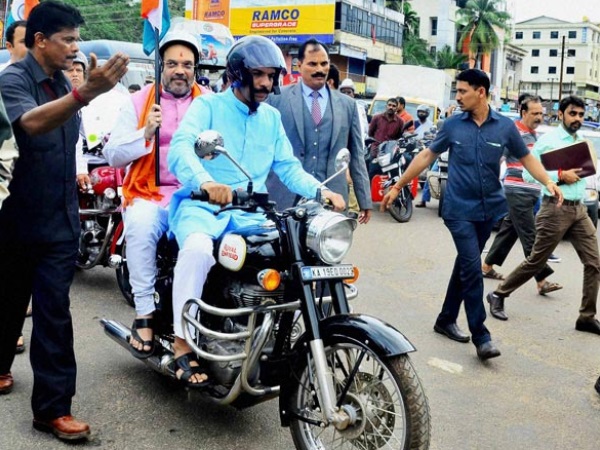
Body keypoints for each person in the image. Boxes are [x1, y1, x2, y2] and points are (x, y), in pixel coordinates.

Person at [167, 35, 345, 387]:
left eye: (271, 75)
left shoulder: (271, 118)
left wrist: (321, 190)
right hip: (203, 208)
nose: (265, 83)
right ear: (237, 74)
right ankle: (182, 342)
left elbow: (288, 166)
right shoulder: (208, 106)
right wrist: (206, 182)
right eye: (258, 74)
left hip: (251, 215)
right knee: (198, 250)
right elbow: (181, 147)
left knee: (294, 255)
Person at [0, 0, 128, 440]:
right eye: (67, 39)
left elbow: (72, 144)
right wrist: (84, 93)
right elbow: (30, 125)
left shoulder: (62, 82)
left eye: (77, 38)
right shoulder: (13, 81)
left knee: (54, 312)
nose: (75, 47)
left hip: (59, 222)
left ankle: (52, 409)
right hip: (14, 221)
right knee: (8, 303)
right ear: (40, 40)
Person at [380, 69, 562, 361]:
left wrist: (548, 182)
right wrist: (398, 186)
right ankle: (481, 336)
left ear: (481, 92)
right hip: (458, 209)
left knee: (465, 265)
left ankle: (446, 319)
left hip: (488, 209)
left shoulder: (504, 128)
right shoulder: (452, 125)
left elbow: (527, 158)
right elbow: (427, 155)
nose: (458, 96)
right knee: (472, 267)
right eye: (457, 91)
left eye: (463, 91)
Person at [103, 31, 203, 359]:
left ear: (195, 68)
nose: (180, 70)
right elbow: (113, 155)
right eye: (172, 64)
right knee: (142, 227)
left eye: (186, 64)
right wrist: (145, 132)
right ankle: (144, 312)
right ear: (160, 67)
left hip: (196, 197)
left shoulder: (210, 103)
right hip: (150, 193)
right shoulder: (138, 102)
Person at [486, 95, 600, 334]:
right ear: (560, 114)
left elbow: (587, 171)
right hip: (554, 208)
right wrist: (559, 175)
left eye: (581, 115)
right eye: (572, 114)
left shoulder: (581, 142)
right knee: (536, 259)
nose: (577, 118)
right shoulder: (548, 141)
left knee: (594, 263)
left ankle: (586, 317)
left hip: (579, 209)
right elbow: (528, 174)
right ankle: (498, 294)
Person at [266, 38, 371, 224]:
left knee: (329, 242)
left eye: (324, 64)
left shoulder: (347, 105)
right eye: (312, 64)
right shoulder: (276, 99)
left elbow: (357, 156)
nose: (319, 69)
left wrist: (364, 200)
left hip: (332, 199)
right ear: (299, 65)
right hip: (285, 195)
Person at [481, 95, 562, 297]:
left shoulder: (534, 136)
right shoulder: (513, 134)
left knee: (509, 232)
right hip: (516, 191)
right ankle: (541, 280)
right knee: (530, 236)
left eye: (541, 113)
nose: (539, 117)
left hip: (531, 191)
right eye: (535, 113)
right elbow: (497, 158)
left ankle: (487, 266)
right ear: (523, 112)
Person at [367, 97, 404, 180]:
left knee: (392, 176)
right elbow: (370, 133)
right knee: (372, 174)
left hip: (390, 152)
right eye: (389, 105)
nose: (391, 107)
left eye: (393, 106)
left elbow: (399, 137)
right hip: (376, 150)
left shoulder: (400, 122)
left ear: (396, 108)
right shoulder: (376, 118)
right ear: (386, 106)